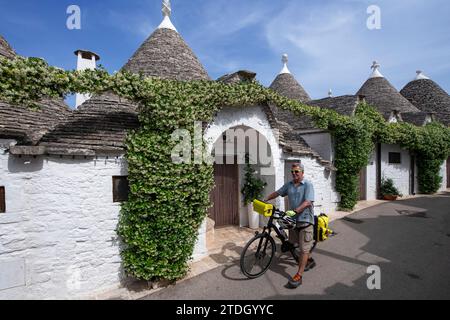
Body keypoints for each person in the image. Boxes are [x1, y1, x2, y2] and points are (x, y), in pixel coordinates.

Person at [264, 163, 316, 288]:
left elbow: (308, 202)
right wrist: (265, 199)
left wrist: (296, 210)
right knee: (292, 241)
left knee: (303, 249)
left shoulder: (307, 184)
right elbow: (278, 192)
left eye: (297, 171)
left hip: (305, 221)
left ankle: (299, 275)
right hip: (293, 221)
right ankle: (308, 259)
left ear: (302, 172)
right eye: (292, 172)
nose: (294, 174)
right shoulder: (289, 185)